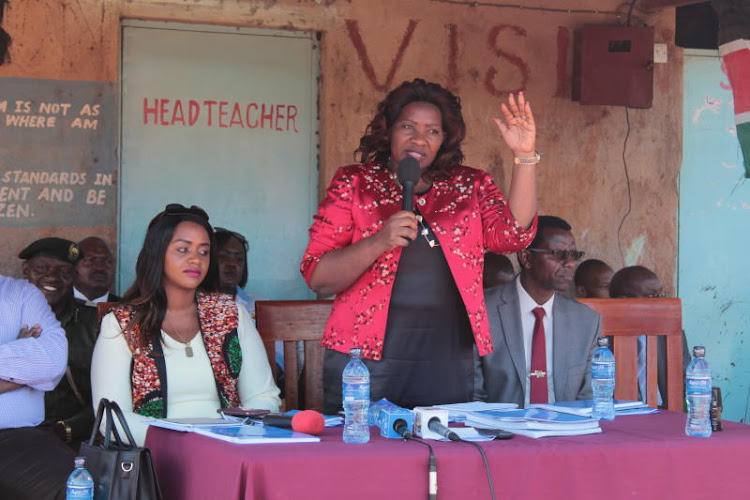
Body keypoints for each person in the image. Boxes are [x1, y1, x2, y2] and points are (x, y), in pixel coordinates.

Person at [301, 78, 539, 412]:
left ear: (445, 139)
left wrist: (524, 157)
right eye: (408, 127)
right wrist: (379, 241)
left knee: (450, 456)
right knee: (365, 459)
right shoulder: (355, 183)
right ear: (389, 130)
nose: (419, 139)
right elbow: (318, 276)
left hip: (451, 357)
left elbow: (514, 236)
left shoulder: (469, 184)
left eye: (432, 131)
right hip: (365, 360)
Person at [91, 204, 280, 445]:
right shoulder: (123, 324)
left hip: (226, 449)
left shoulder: (229, 313)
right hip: (154, 459)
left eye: (204, 252)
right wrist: (185, 444)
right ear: (157, 253)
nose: (195, 259)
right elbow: (111, 417)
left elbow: (264, 396)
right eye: (183, 249)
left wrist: (230, 434)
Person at [475, 216, 601, 407]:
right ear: (526, 257)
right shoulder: (482, 311)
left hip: (565, 429)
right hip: (501, 429)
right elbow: (474, 394)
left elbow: (588, 399)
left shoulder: (586, 320)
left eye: (574, 255)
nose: (570, 264)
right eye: (559, 254)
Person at [19, 237, 99, 447]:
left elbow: (112, 395)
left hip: (73, 442)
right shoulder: (6, 317)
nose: (52, 277)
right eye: (42, 268)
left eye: (63, 272)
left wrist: (65, 430)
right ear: (25, 269)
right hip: (11, 437)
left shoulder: (95, 324)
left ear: (74, 276)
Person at [0, 275, 73, 500]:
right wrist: (21, 351)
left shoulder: (21, 293)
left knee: (80, 488)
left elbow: (52, 362)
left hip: (17, 438)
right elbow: (36, 365)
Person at [609, 265, 690, 405]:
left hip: (664, 413)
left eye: (662, 295)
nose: (661, 302)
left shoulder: (672, 335)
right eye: (652, 296)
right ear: (623, 301)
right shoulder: (600, 338)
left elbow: (685, 379)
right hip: (618, 414)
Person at [74, 236, 120, 306]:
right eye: (90, 260)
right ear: (74, 266)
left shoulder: (129, 311)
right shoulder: (55, 307)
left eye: (107, 261)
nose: (99, 267)